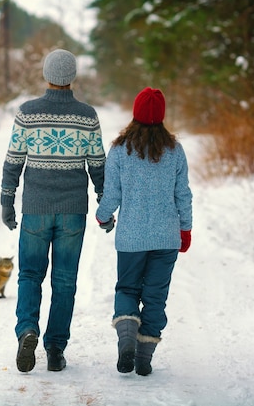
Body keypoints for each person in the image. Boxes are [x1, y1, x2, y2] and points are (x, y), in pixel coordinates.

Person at [0, 49, 106, 373]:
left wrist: (7, 200)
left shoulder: (28, 113)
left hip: (36, 209)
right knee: (65, 281)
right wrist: (105, 201)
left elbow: (13, 160)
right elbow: (98, 166)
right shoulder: (87, 116)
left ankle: (27, 330)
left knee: (30, 275)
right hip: (73, 212)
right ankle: (55, 348)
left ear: (46, 75)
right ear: (72, 77)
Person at [96, 87, 193, 376]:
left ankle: (126, 338)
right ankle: (144, 357)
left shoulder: (120, 149)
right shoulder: (174, 151)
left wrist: (103, 217)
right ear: (161, 115)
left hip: (130, 239)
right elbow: (183, 195)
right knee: (155, 297)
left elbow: (111, 193)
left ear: (135, 112)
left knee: (127, 289)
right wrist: (185, 229)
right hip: (165, 238)